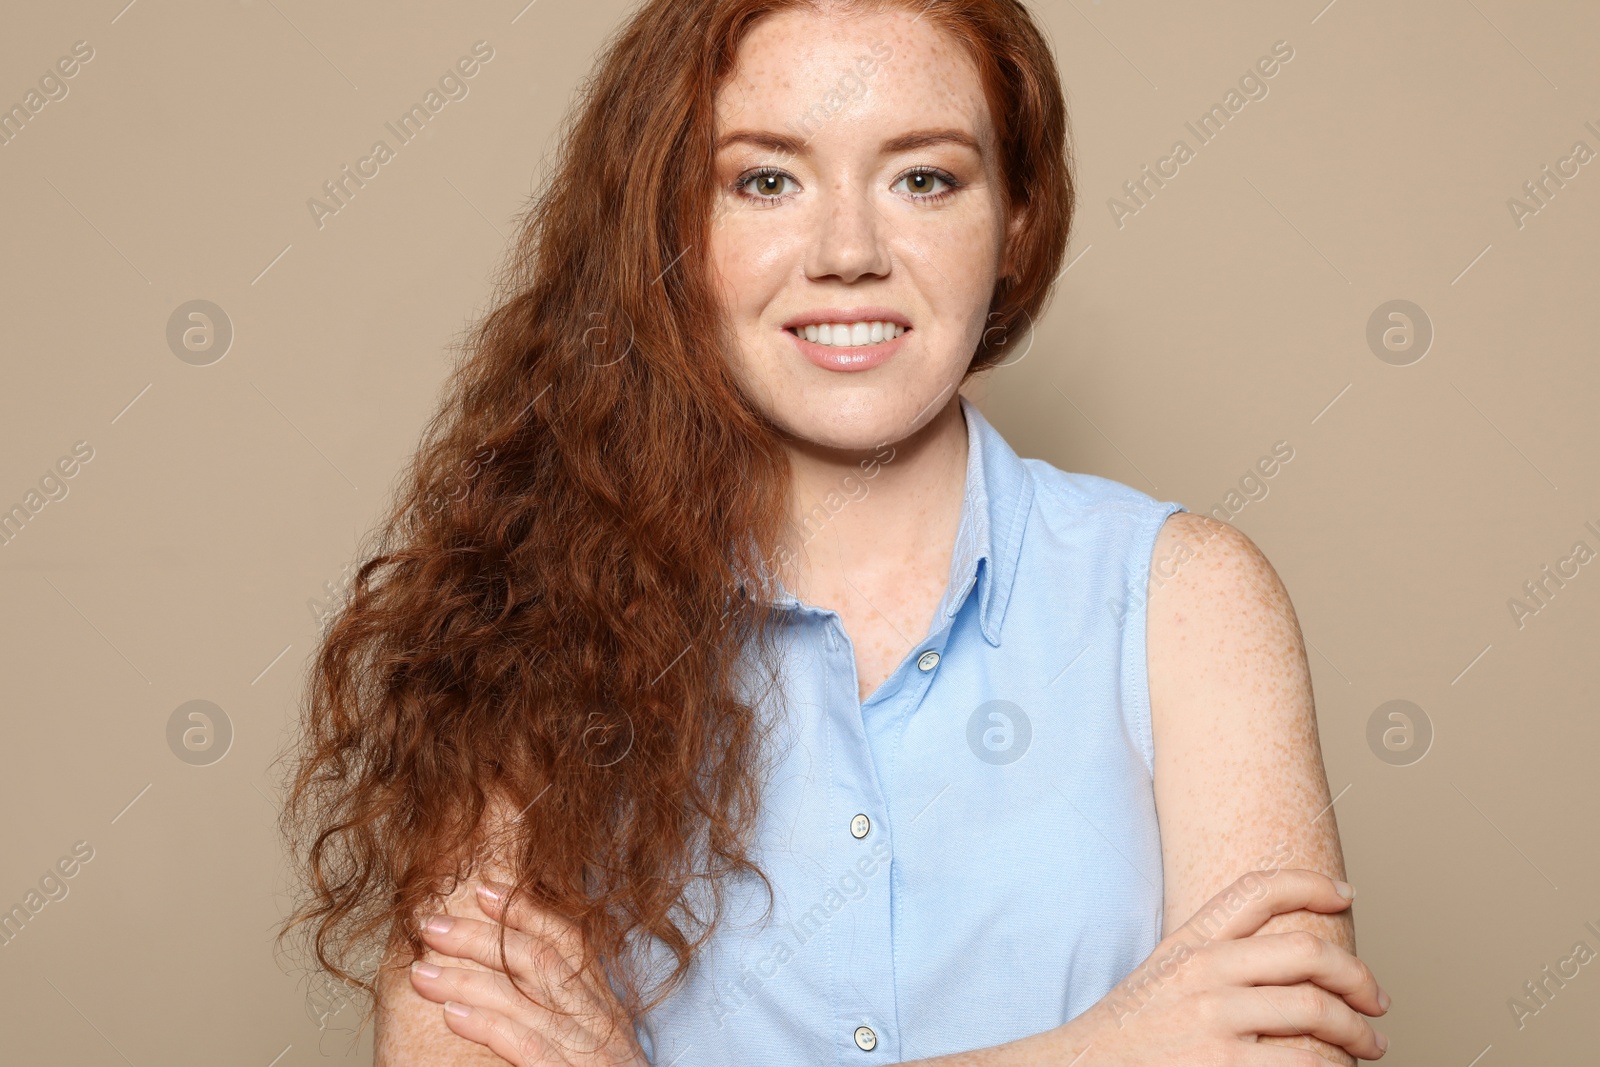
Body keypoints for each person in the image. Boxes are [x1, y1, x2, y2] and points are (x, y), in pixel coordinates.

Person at [275, 1, 1391, 1064]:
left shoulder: (1188, 599)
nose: (847, 250)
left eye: (923, 178)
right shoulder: (523, 618)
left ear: (1016, 221)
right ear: (671, 232)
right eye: (765, 180)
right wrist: (1100, 1047)